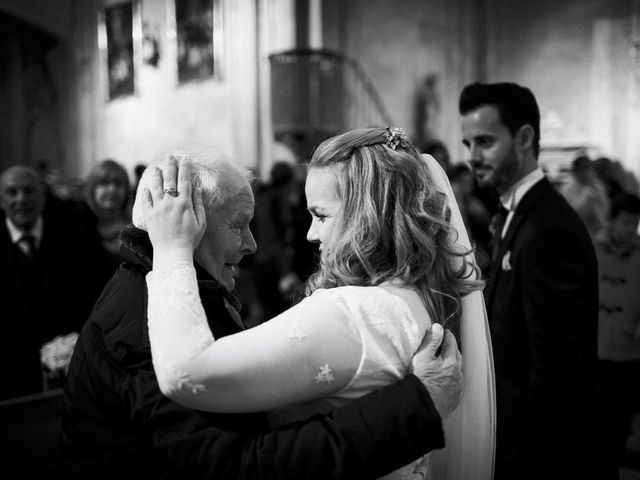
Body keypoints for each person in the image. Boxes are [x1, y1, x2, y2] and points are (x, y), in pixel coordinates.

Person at [59, 145, 467, 480]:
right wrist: (415, 406)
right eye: (240, 224)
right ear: (187, 222)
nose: (253, 244)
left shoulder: (176, 292)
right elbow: (239, 465)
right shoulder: (147, 318)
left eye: (320, 214)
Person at [459, 82, 611, 480]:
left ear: (524, 138)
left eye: (485, 141)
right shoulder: (517, 213)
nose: (473, 156)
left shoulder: (548, 230)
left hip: (542, 452)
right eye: (468, 143)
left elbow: (555, 376)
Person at [0, 165, 105, 400]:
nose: (21, 199)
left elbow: (96, 296)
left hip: (71, 373)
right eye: (12, 192)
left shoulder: (76, 237)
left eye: (29, 191)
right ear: (1, 200)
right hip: (9, 379)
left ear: (43, 195)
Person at [594, 193, 640, 468]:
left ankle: (615, 458)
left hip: (630, 346)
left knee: (623, 414)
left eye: (634, 223)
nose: (630, 228)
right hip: (598, 343)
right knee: (598, 410)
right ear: (611, 220)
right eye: (625, 221)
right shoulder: (593, 247)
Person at [80, 159, 132, 273]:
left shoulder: (139, 227)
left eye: (118, 184)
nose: (112, 189)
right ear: (92, 190)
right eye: (104, 183)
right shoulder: (79, 229)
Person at [559, 154, 610, 238]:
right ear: (576, 171)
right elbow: (573, 213)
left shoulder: (598, 186)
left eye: (589, 168)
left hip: (599, 232)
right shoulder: (567, 189)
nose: (588, 172)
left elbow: (606, 209)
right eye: (584, 169)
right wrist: (586, 192)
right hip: (576, 232)